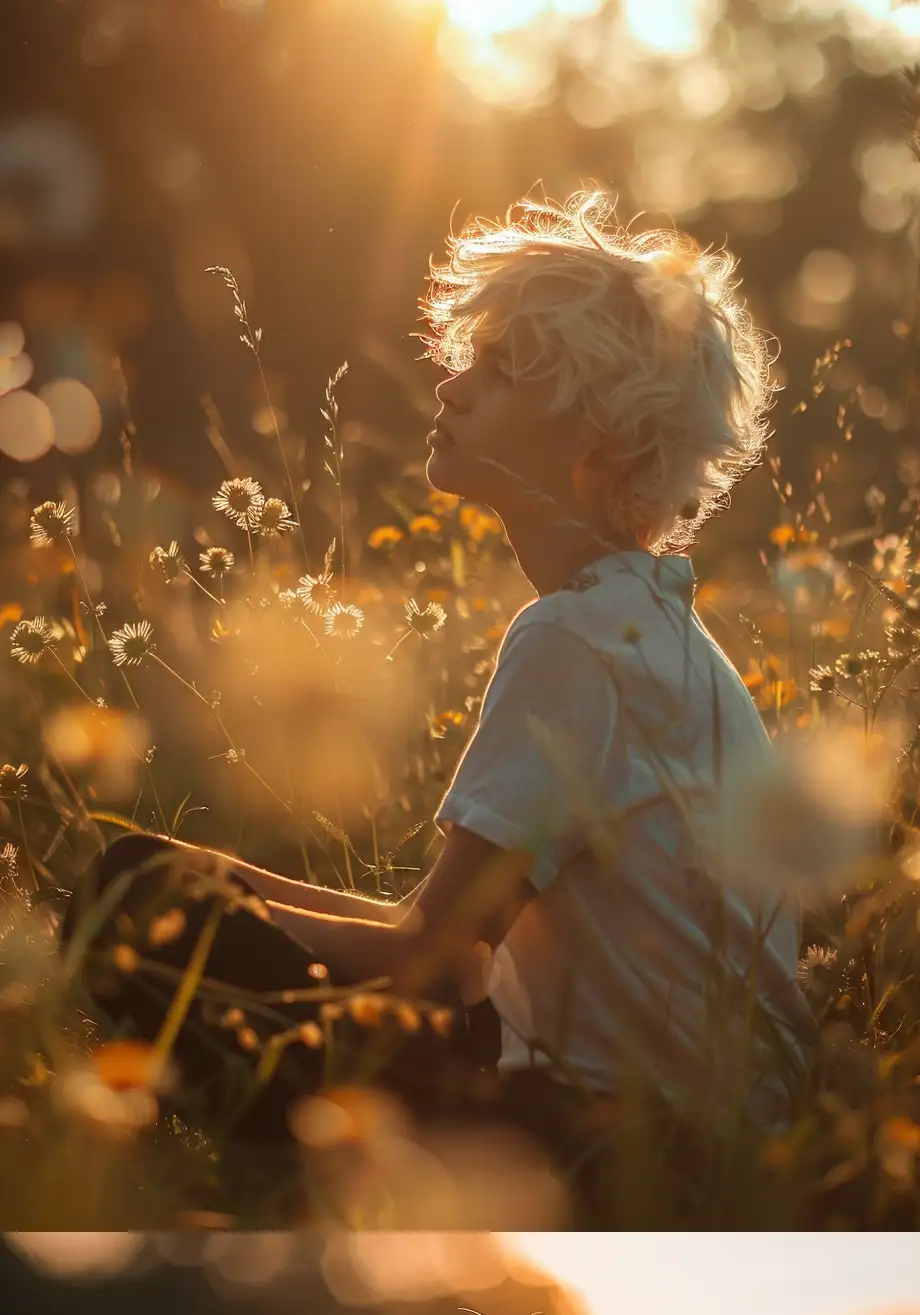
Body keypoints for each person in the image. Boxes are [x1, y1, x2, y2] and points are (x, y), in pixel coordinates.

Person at [64, 190, 814, 1153]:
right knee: (158, 878)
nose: (454, 387)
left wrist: (183, 901)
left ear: (596, 453)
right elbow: (452, 941)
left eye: (499, 373)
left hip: (607, 1144)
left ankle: (281, 1174)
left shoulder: (577, 639)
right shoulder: (651, 630)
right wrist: (220, 879)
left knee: (130, 899)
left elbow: (440, 958)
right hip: (681, 1123)